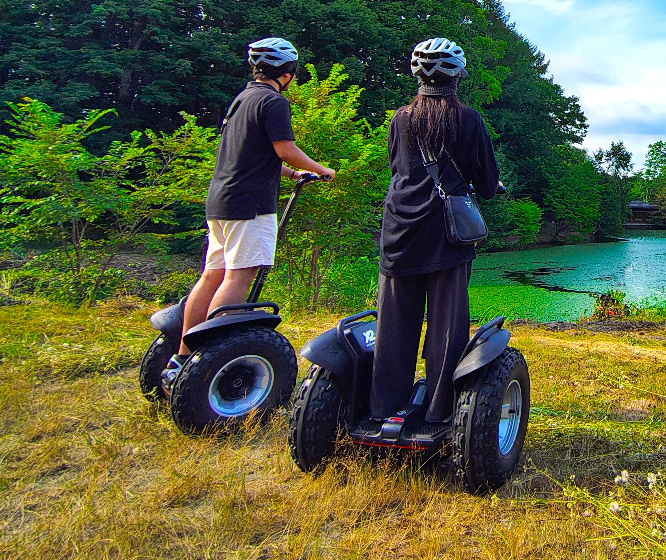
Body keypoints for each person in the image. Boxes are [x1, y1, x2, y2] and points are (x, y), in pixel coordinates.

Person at [161, 37, 336, 389]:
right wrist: (322, 169)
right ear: (289, 72)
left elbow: (253, 154)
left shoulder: (242, 99)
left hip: (222, 200)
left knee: (211, 276)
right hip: (251, 205)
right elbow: (285, 149)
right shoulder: (273, 102)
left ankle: (182, 358)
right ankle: (208, 361)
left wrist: (291, 174)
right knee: (238, 278)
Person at [366, 37, 500, 427]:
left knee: (393, 325)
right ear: (458, 75)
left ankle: (383, 407)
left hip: (400, 230)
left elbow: (397, 169)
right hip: (446, 233)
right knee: (446, 326)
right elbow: (488, 184)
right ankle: (439, 410)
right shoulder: (470, 120)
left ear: (417, 75)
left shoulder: (400, 118)